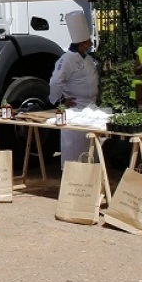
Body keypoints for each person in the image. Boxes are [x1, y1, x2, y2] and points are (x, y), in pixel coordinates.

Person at [49, 9, 99, 167]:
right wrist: (60, 100)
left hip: (91, 108)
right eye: (88, 42)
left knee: (90, 149)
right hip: (76, 109)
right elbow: (55, 82)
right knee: (75, 150)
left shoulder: (87, 58)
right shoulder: (66, 60)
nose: (90, 45)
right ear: (81, 44)